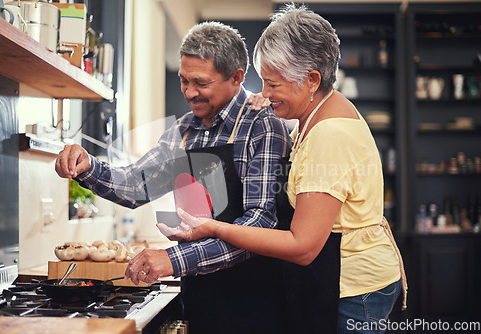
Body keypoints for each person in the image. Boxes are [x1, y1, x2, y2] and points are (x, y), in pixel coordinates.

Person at [159, 4, 408, 334]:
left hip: (355, 291)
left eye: (272, 84)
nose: (264, 93)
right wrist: (273, 105)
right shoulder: (316, 113)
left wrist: (215, 228)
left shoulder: (329, 134)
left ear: (311, 79)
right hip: (342, 280)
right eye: (262, 82)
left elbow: (302, 247)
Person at [55, 21, 292, 334]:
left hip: (256, 304)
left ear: (236, 77)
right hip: (202, 298)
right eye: (183, 80)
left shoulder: (262, 125)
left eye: (201, 83)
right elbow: (136, 185)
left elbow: (260, 224)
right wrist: (88, 166)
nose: (189, 92)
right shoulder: (184, 130)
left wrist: (175, 259)